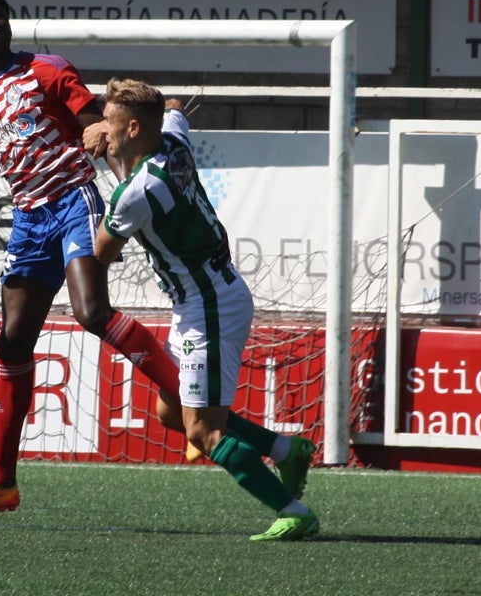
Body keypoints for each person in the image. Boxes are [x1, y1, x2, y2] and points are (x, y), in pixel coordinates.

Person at [0, 0, 189, 514]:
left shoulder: (48, 71)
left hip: (74, 201)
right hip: (29, 220)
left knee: (91, 313)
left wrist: (123, 192)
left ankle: (191, 409)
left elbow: (102, 131)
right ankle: (2, 484)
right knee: (11, 345)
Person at [86, 77, 320, 542]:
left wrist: (104, 164)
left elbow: (102, 251)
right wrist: (115, 136)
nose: (102, 129)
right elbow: (173, 106)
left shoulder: (138, 191)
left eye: (108, 122)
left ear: (133, 128)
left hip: (208, 306)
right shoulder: (171, 136)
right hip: (206, 297)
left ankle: (294, 511)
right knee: (172, 413)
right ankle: (285, 449)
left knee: (201, 431)